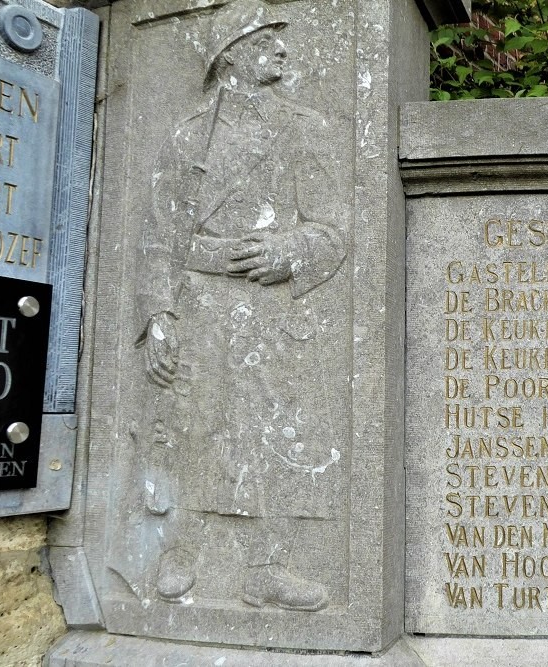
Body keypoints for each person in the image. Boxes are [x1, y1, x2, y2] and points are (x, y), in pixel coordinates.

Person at [134, 0, 347, 611]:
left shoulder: (303, 128)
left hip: (271, 311)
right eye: (266, 40)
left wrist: (290, 251)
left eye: (281, 39)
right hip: (200, 304)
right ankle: (183, 549)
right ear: (232, 54)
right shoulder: (187, 135)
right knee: (191, 428)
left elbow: (335, 227)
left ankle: (267, 568)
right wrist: (159, 314)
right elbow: (158, 236)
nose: (282, 50)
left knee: (276, 433)